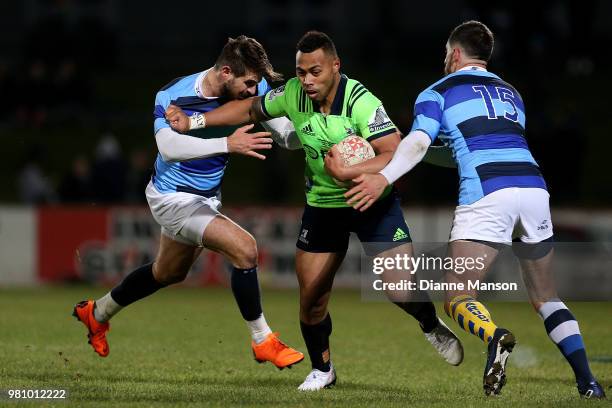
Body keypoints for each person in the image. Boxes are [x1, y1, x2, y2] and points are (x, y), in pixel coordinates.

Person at [166, 31, 463, 391]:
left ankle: (430, 323)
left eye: (315, 71)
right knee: (311, 299)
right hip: (323, 207)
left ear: (336, 67)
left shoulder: (361, 102)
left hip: (373, 203)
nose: (306, 80)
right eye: (301, 71)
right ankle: (323, 369)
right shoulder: (292, 93)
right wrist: (194, 122)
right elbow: (248, 108)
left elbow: (393, 150)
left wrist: (354, 173)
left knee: (399, 288)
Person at [344, 21, 605, 399]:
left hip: (487, 193)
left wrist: (385, 175)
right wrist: (411, 152)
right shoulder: (511, 93)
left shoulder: (438, 91)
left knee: (458, 297)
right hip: (534, 189)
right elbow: (466, 150)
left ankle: (495, 336)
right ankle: (588, 383)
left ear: (453, 54)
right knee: (547, 297)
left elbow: (419, 144)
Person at [72, 35, 304, 370]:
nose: (254, 91)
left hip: (206, 198)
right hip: (172, 197)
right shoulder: (173, 95)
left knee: (166, 272)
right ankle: (263, 340)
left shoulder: (254, 87)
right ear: (226, 72)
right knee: (246, 249)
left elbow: (284, 135)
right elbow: (169, 147)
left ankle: (96, 314)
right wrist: (228, 143)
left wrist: (317, 130)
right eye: (249, 83)